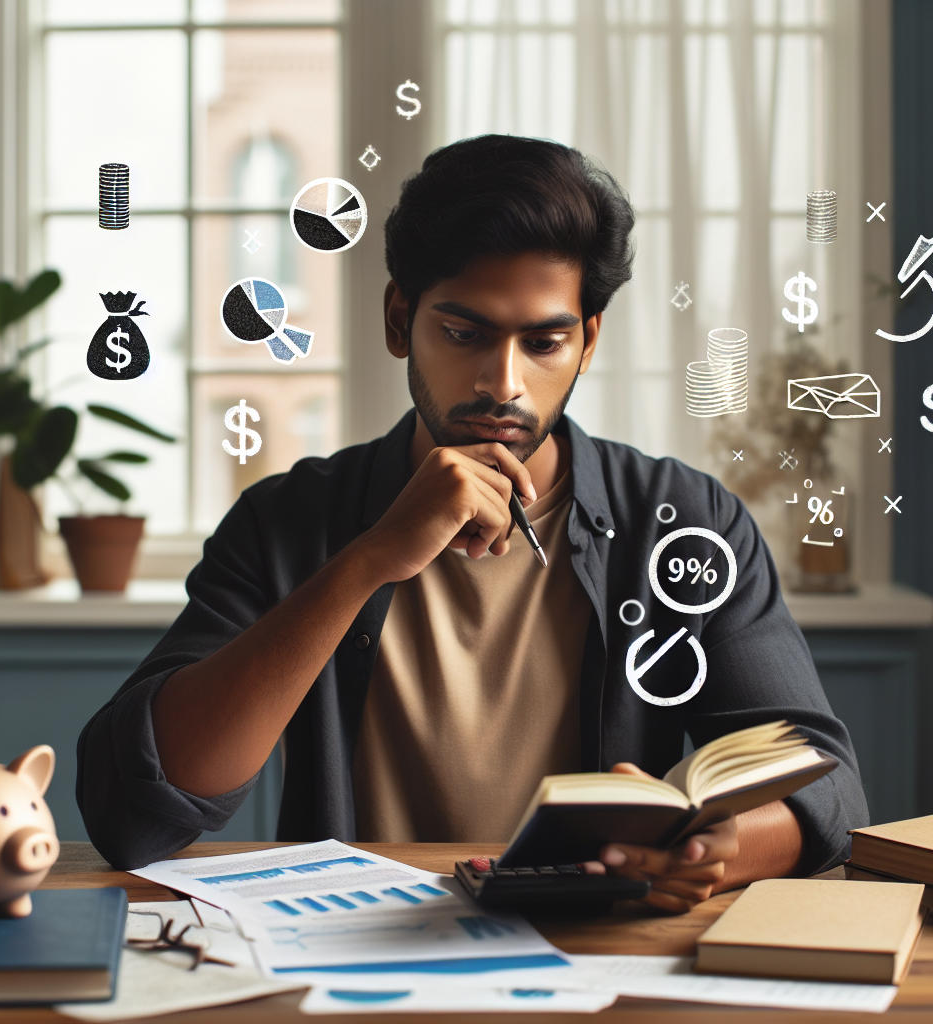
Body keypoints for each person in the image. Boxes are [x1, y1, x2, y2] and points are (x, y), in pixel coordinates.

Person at [77, 135, 867, 914]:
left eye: (545, 342)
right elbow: (133, 814)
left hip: (597, 944)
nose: (503, 383)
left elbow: (827, 784)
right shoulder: (288, 519)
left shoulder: (685, 521)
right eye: (464, 334)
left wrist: (715, 849)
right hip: (348, 949)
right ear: (399, 320)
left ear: (588, 341)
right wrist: (368, 560)